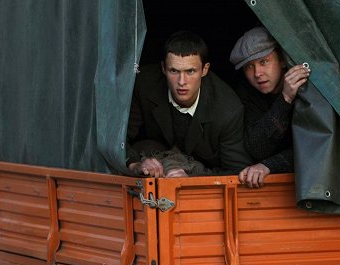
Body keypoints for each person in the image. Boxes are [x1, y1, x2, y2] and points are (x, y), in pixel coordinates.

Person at [126, 31, 252, 178]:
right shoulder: (144, 85)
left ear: (204, 70)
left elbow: (236, 171)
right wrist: (134, 164)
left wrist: (191, 177)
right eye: (174, 71)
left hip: (203, 173)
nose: (182, 81)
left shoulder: (227, 109)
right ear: (163, 68)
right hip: (155, 159)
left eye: (190, 71)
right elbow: (116, 140)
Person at [230, 26, 310, 187]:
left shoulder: (308, 88)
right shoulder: (247, 93)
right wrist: (285, 98)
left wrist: (270, 165)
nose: (257, 73)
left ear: (281, 60)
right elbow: (257, 148)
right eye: (249, 66)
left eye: (264, 61)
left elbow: (316, 148)